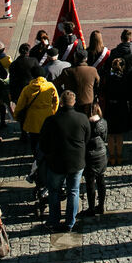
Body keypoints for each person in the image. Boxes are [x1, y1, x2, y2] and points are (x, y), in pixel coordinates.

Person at [40, 90, 91, 231]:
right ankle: (70, 222)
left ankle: (54, 220)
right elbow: (87, 138)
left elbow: (43, 143)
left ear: (60, 103)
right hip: (76, 161)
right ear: (74, 102)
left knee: (54, 191)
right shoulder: (82, 118)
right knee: (73, 191)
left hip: (56, 162)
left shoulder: (50, 120)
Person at [84, 109, 109, 217]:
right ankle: (101, 206)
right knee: (101, 180)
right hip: (101, 153)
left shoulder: (87, 125)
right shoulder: (103, 122)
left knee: (90, 183)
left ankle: (91, 207)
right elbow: (104, 137)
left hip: (90, 155)